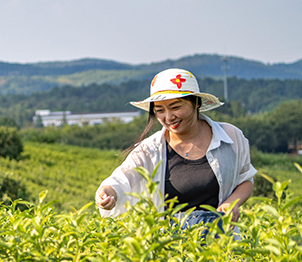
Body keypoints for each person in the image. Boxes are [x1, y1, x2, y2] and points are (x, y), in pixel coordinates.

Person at [95, 68, 256, 229]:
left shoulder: (229, 136)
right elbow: (122, 178)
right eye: (160, 110)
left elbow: (245, 180)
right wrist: (108, 193)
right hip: (171, 245)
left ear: (196, 103)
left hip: (221, 241)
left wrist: (231, 203)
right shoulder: (149, 150)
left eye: (175, 107)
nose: (169, 117)